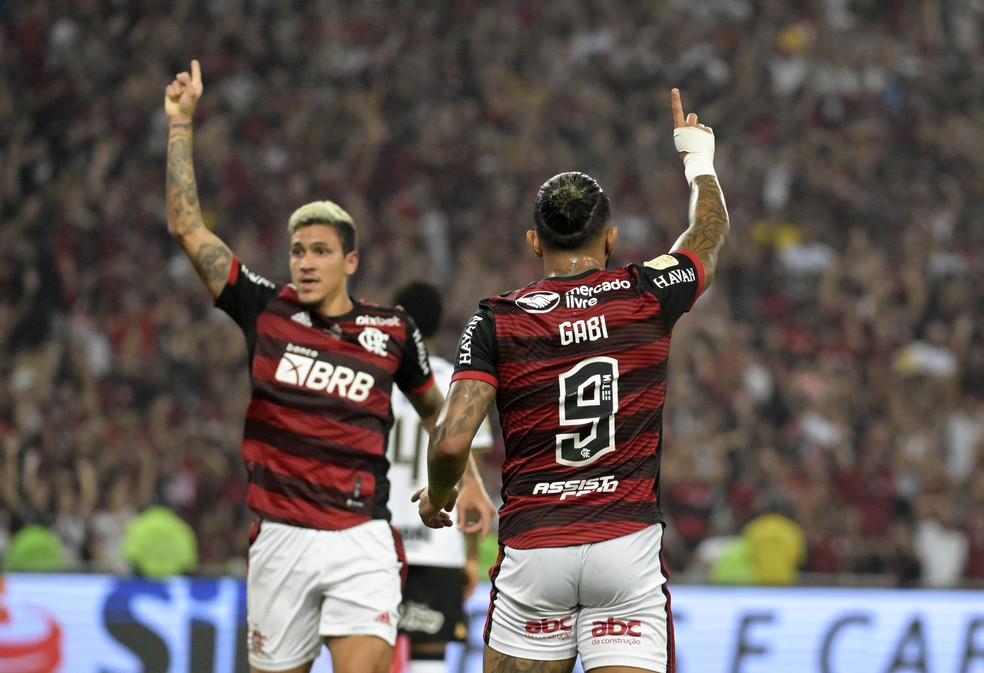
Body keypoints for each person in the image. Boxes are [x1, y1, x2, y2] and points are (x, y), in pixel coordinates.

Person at [164, 60, 491, 673]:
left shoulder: (392, 331)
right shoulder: (264, 310)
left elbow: (435, 412)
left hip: (361, 538)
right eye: (297, 252)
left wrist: (468, 479)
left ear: (351, 260)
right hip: (280, 536)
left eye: (320, 252)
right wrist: (181, 126)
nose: (305, 263)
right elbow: (187, 227)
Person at [414, 88, 729, 673]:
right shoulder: (646, 293)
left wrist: (439, 498)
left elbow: (453, 439)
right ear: (610, 239)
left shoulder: (498, 318)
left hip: (536, 550)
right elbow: (706, 239)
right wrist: (698, 160)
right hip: (624, 548)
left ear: (534, 242)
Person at [387, 281, 496, 673]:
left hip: (378, 545)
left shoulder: (374, 380)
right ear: (437, 323)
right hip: (438, 546)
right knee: (428, 661)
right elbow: (468, 477)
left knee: (363, 655)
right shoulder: (455, 382)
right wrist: (469, 557)